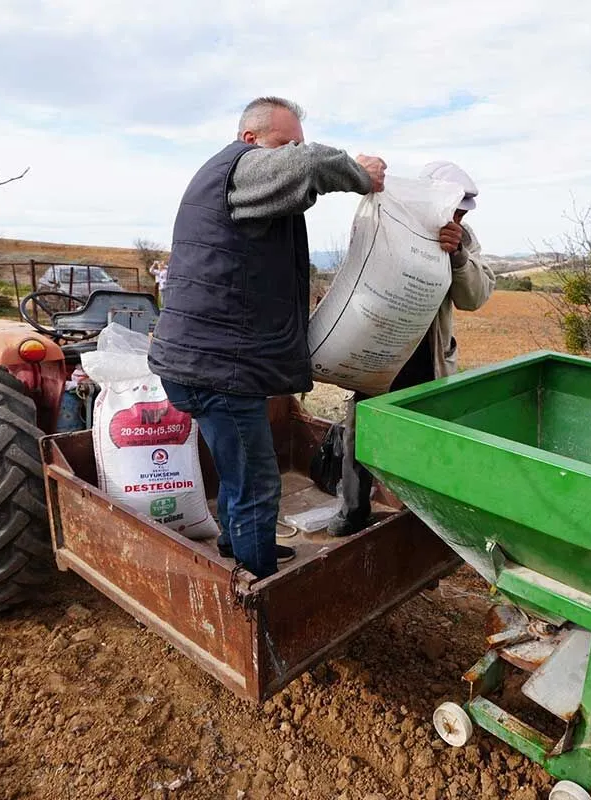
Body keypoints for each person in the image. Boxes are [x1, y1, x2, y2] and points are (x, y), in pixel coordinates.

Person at [147, 96, 386, 579]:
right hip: (220, 369)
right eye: (283, 143)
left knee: (237, 472)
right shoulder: (243, 167)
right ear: (250, 139)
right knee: (258, 483)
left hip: (204, 363)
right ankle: (258, 585)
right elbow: (313, 162)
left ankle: (239, 544)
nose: (289, 153)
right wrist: (362, 174)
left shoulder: (231, 182)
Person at [328, 161, 496, 537]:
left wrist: (458, 257)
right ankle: (353, 511)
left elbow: (475, 297)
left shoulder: (462, 240)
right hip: (382, 352)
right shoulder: (395, 221)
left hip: (429, 360)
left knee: (422, 441)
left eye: (461, 212)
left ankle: (418, 520)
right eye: (453, 208)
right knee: (361, 429)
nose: (456, 216)